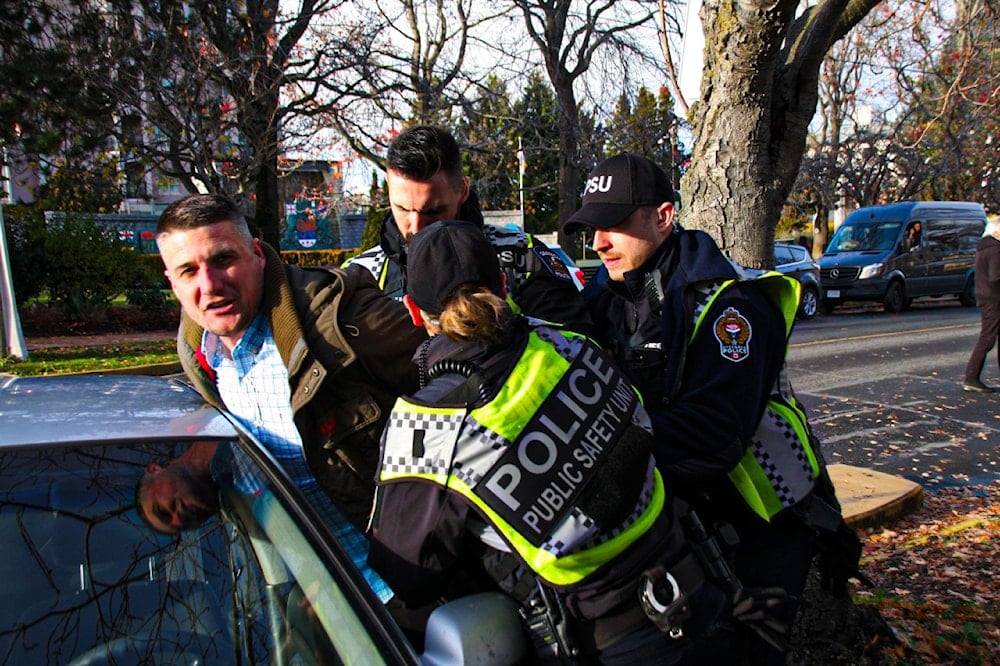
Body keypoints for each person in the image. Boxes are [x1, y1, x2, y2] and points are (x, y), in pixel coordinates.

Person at [366, 220, 788, 664]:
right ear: (504, 283)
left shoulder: (428, 426)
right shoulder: (570, 344)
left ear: (413, 310)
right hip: (706, 601)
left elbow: (407, 574)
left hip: (601, 644)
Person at [562, 154, 862, 665]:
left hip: (763, 531)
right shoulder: (606, 297)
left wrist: (597, 446)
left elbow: (714, 437)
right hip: (686, 523)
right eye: (592, 227)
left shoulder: (730, 306)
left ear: (662, 217)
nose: (599, 243)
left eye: (613, 225)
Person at [156, 193, 428, 603]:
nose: (209, 284)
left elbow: (456, 370)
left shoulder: (338, 322)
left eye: (223, 259)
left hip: (405, 588)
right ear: (171, 282)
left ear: (258, 254)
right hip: (310, 594)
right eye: (189, 270)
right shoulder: (197, 352)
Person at [344, 124, 593, 333]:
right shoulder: (361, 276)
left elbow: (572, 352)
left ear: (462, 190)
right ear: (388, 188)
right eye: (402, 209)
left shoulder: (524, 258)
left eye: (434, 211)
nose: (417, 227)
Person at [962, 215, 1000, 392]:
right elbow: (996, 277)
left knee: (990, 337)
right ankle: (971, 377)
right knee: (987, 338)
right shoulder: (995, 250)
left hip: (986, 296)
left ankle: (972, 377)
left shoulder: (984, 248)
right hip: (993, 299)